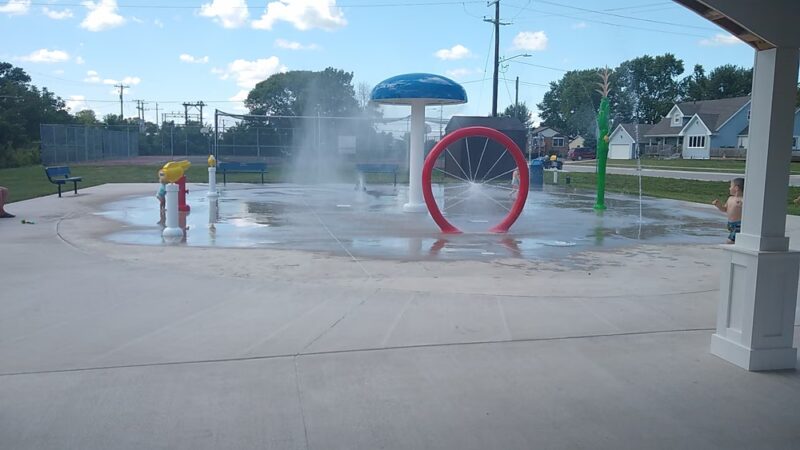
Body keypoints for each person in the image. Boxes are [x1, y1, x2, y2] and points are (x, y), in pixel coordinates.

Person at [712, 177, 744, 244]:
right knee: (735, 241)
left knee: (729, 241)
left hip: (739, 224)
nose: (729, 188)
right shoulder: (730, 198)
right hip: (730, 224)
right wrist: (719, 206)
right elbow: (725, 209)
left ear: (736, 188)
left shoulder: (742, 200)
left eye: (730, 186)